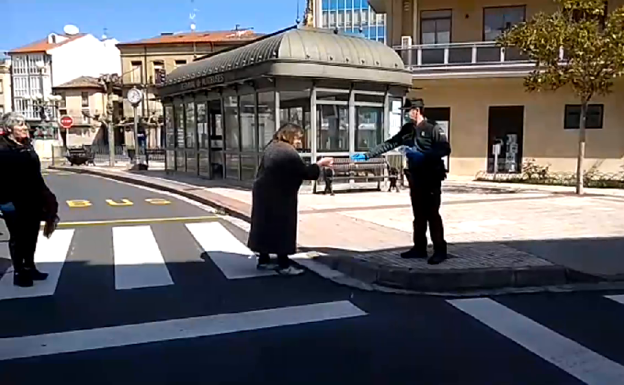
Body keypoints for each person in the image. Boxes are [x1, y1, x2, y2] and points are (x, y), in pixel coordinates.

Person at [351, 98, 451, 265]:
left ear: (417, 110)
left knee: (432, 215)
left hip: (431, 177)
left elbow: (445, 148)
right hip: (415, 177)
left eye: (408, 110)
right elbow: (391, 143)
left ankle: (440, 250)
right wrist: (368, 155)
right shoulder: (408, 129)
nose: (406, 114)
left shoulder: (433, 128)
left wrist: (424, 156)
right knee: (418, 215)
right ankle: (419, 248)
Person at [248, 123, 334, 276]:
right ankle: (284, 264)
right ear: (290, 136)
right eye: (298, 138)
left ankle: (264, 260)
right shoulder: (287, 152)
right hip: (279, 196)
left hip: (264, 193)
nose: (299, 142)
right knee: (283, 227)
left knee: (265, 226)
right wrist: (320, 164)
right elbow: (305, 172)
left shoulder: (272, 147)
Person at [0, 112, 59, 287]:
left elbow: (35, 174)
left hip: (32, 199)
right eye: (20, 125)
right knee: (18, 236)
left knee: (31, 235)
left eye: (25, 124)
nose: (25, 127)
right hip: (11, 201)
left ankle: (30, 266)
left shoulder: (27, 145)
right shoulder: (2, 148)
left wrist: (46, 195)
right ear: (9, 129)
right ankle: (19, 273)